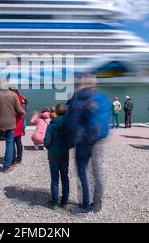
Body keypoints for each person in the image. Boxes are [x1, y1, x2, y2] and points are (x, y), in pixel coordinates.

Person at [66, 74, 110, 214]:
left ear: (83, 83)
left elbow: (71, 121)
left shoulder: (79, 97)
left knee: (82, 172)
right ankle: (97, 205)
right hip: (99, 139)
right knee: (96, 173)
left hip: (84, 140)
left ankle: (84, 206)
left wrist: (69, 141)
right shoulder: (102, 96)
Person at [0, 79, 25, 172]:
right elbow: (19, 110)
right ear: (8, 86)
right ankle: (6, 166)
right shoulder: (14, 95)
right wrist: (23, 112)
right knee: (9, 143)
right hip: (11, 123)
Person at [44, 104, 69, 210]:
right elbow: (72, 140)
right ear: (66, 112)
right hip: (64, 155)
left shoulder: (51, 125)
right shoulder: (68, 125)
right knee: (65, 178)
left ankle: (54, 203)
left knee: (54, 179)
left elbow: (46, 142)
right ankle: (64, 201)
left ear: (56, 113)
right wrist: (67, 146)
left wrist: (49, 147)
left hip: (53, 155)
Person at [10, 88, 25, 165]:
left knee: (11, 142)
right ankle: (19, 158)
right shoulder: (21, 97)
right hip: (19, 122)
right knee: (18, 142)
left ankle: (13, 159)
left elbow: (16, 111)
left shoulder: (13, 98)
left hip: (13, 122)